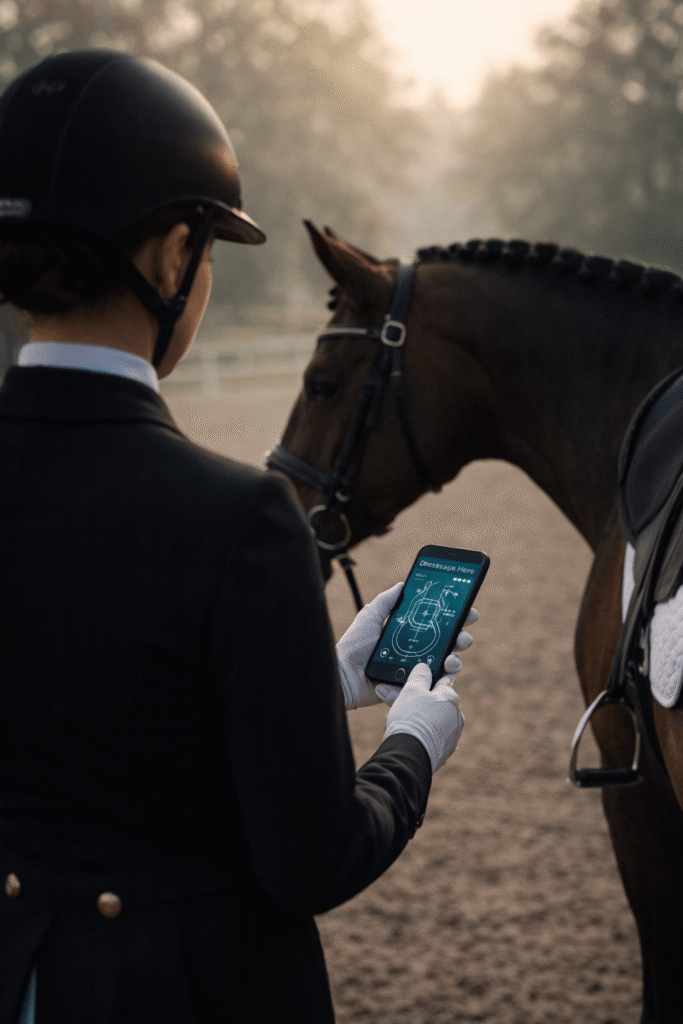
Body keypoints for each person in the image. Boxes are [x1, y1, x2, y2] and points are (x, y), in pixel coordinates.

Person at [0, 50, 477, 1024]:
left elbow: (86, 727)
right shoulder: (236, 517)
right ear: (175, 256)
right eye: (207, 254)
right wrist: (409, 747)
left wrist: (316, 679)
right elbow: (314, 857)